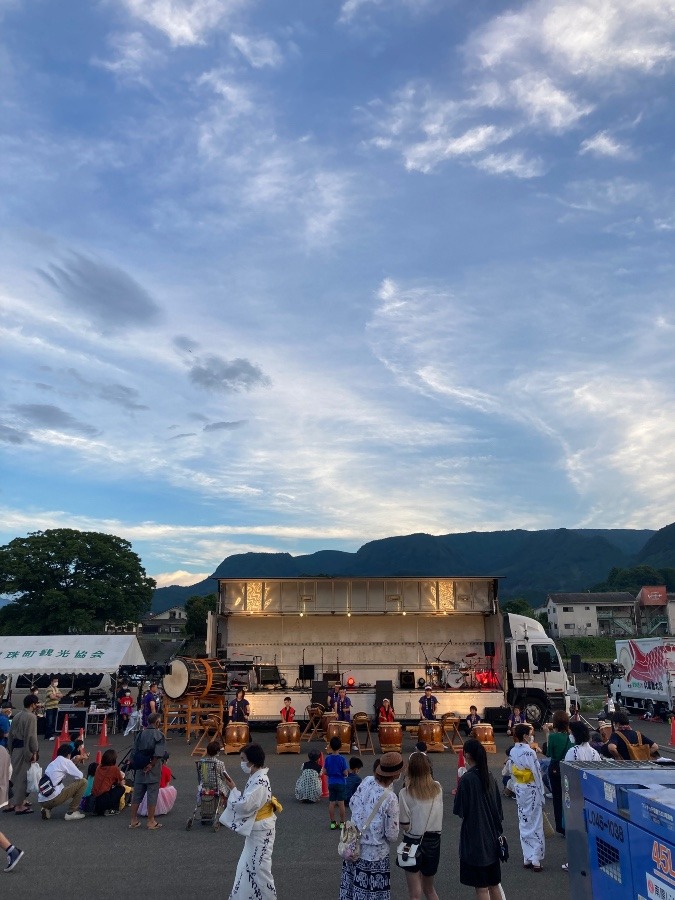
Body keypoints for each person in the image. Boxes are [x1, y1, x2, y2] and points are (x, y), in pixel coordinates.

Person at [340, 751, 402, 900]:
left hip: (353, 847)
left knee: (353, 889)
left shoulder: (367, 780)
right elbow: (392, 835)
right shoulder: (391, 798)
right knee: (372, 893)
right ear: (395, 775)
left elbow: (353, 803)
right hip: (375, 855)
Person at [222, 742, 278, 900]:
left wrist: (233, 793)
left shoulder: (260, 781)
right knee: (246, 866)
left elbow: (245, 805)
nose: (242, 763)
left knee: (260, 869)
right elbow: (248, 801)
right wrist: (233, 788)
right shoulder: (256, 777)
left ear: (252, 761)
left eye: (243, 759)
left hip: (262, 831)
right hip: (257, 829)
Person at [453, 738, 504, 898]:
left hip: (475, 838)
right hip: (492, 836)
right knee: (493, 883)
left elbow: (460, 810)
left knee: (481, 887)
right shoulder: (489, 776)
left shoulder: (467, 779)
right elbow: (499, 809)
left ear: (467, 755)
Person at [398, 751, 443, 900]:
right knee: (429, 889)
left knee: (414, 893)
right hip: (433, 841)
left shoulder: (404, 793)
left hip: (412, 841)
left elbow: (404, 824)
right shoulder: (438, 788)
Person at [511, 723, 546, 871]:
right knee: (536, 822)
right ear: (525, 736)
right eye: (529, 734)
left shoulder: (513, 751)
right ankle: (536, 858)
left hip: (520, 788)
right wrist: (542, 791)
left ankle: (527, 856)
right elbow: (537, 773)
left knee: (524, 821)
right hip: (532, 788)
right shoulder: (530, 753)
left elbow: (512, 772)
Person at [128, 711, 167, 830]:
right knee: (152, 794)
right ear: (157, 722)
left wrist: (133, 762)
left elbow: (133, 749)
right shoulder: (159, 735)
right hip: (153, 768)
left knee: (137, 794)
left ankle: (133, 820)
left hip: (139, 765)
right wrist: (151, 765)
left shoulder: (140, 734)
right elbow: (158, 753)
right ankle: (151, 821)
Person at [6, 694, 40, 814]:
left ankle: (10, 802)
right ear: (32, 704)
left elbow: (10, 734)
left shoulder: (18, 715)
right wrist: (34, 751)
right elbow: (31, 737)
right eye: (36, 703)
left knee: (12, 777)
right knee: (22, 778)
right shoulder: (31, 717)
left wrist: (9, 749)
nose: (37, 705)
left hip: (15, 749)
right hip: (24, 750)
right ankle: (19, 805)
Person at [38, 744, 87, 821]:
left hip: (42, 799)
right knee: (83, 782)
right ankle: (71, 812)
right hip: (53, 798)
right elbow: (80, 776)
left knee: (59, 786)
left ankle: (46, 809)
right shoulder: (66, 762)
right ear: (68, 754)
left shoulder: (53, 763)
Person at [543, 710, 571, 836]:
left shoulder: (554, 737)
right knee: (569, 797)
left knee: (558, 798)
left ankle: (561, 826)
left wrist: (547, 734)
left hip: (555, 768)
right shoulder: (571, 736)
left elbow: (549, 753)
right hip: (569, 768)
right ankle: (571, 824)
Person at [321, 735, 348, 829]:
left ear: (330, 747)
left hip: (331, 782)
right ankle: (342, 823)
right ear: (340, 746)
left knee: (332, 802)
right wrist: (344, 774)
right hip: (340, 782)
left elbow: (324, 771)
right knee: (341, 803)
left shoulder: (328, 758)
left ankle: (332, 822)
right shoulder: (342, 759)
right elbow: (345, 772)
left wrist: (330, 774)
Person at [92, 748, 126, 816]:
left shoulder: (99, 767)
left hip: (95, 798)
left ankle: (99, 810)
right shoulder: (114, 768)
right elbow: (121, 783)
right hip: (104, 798)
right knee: (121, 789)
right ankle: (113, 809)